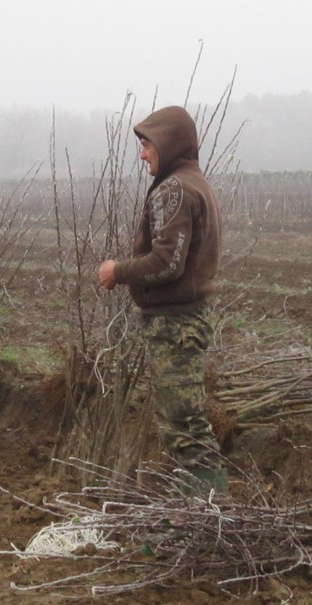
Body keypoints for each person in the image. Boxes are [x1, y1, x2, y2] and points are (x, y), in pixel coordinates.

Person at [97, 105, 228, 495]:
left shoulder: (175, 189)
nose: (142, 155)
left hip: (175, 326)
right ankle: (198, 516)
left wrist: (116, 271)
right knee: (183, 425)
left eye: (146, 145)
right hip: (185, 321)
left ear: (168, 143)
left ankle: (210, 520)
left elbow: (167, 263)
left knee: (184, 427)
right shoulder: (196, 182)